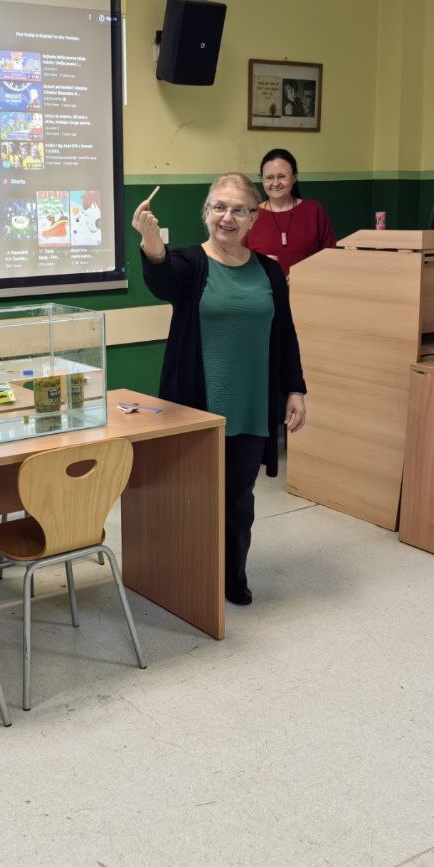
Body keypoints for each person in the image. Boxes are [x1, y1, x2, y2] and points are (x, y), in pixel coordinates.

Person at [134, 173, 306, 606]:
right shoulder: (191, 264)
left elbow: (285, 334)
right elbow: (162, 280)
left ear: (254, 217)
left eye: (239, 210)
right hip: (196, 405)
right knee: (189, 496)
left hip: (250, 407)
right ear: (206, 212)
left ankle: (233, 576)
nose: (227, 217)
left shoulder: (269, 271)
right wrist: (151, 242)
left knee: (237, 499)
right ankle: (183, 573)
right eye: (219, 207)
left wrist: (295, 389)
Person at [245, 147, 337, 277]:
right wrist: (258, 266)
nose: (275, 183)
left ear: (294, 177)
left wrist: (307, 273)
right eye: (269, 177)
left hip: (309, 287)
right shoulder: (250, 216)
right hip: (264, 289)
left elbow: (331, 254)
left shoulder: (314, 210)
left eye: (282, 176)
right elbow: (238, 261)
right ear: (262, 179)